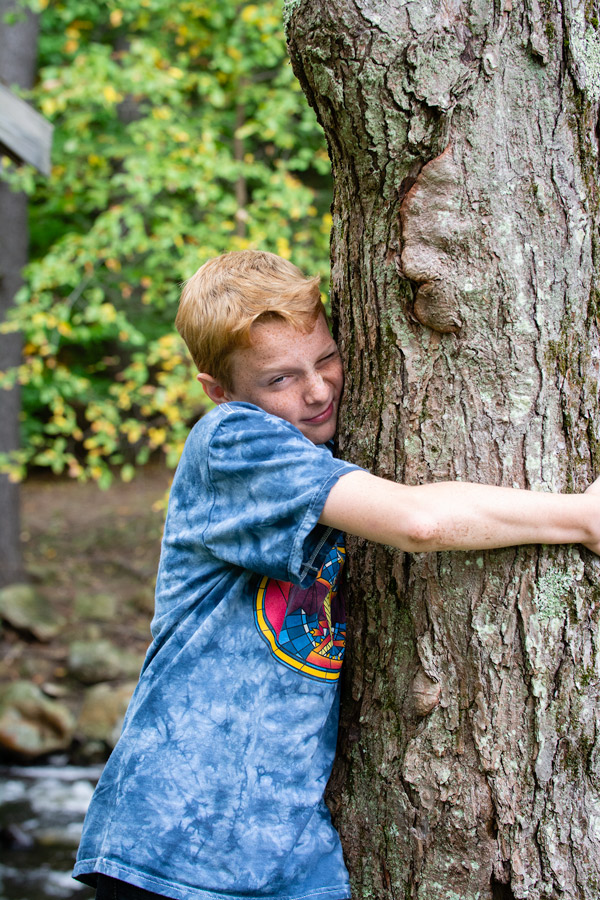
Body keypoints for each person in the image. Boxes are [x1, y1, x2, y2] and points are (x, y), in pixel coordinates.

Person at [74, 250, 600, 900]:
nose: (318, 390)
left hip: (288, 848)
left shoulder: (314, 451)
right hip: (177, 837)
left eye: (326, 358)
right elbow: (420, 524)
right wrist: (583, 517)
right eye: (280, 379)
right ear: (220, 389)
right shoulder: (233, 441)